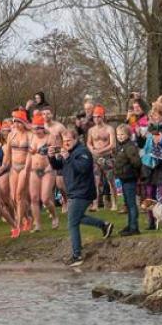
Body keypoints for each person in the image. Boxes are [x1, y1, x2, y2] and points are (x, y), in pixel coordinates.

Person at [48, 130, 114, 266]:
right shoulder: (68, 152)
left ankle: (77, 255)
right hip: (74, 191)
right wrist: (51, 157)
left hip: (83, 192)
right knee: (76, 219)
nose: (66, 143)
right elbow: (57, 166)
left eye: (69, 140)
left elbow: (82, 169)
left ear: (76, 139)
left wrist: (68, 158)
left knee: (72, 222)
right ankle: (104, 225)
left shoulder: (82, 152)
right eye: (64, 141)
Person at [111, 124, 143, 236]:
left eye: (122, 134)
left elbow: (137, 162)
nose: (119, 136)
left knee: (131, 203)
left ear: (128, 135)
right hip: (123, 178)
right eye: (118, 134)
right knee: (127, 204)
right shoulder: (121, 146)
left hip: (130, 178)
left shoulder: (129, 146)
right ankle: (130, 225)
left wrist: (129, 169)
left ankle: (134, 227)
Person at [86, 106, 116, 211]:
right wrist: (92, 150)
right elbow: (88, 143)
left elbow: (113, 145)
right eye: (94, 117)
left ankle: (114, 203)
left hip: (107, 157)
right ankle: (95, 204)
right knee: (96, 181)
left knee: (110, 181)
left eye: (98, 117)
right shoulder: (91, 130)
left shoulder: (109, 129)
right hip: (95, 158)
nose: (96, 119)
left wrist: (100, 151)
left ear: (103, 116)